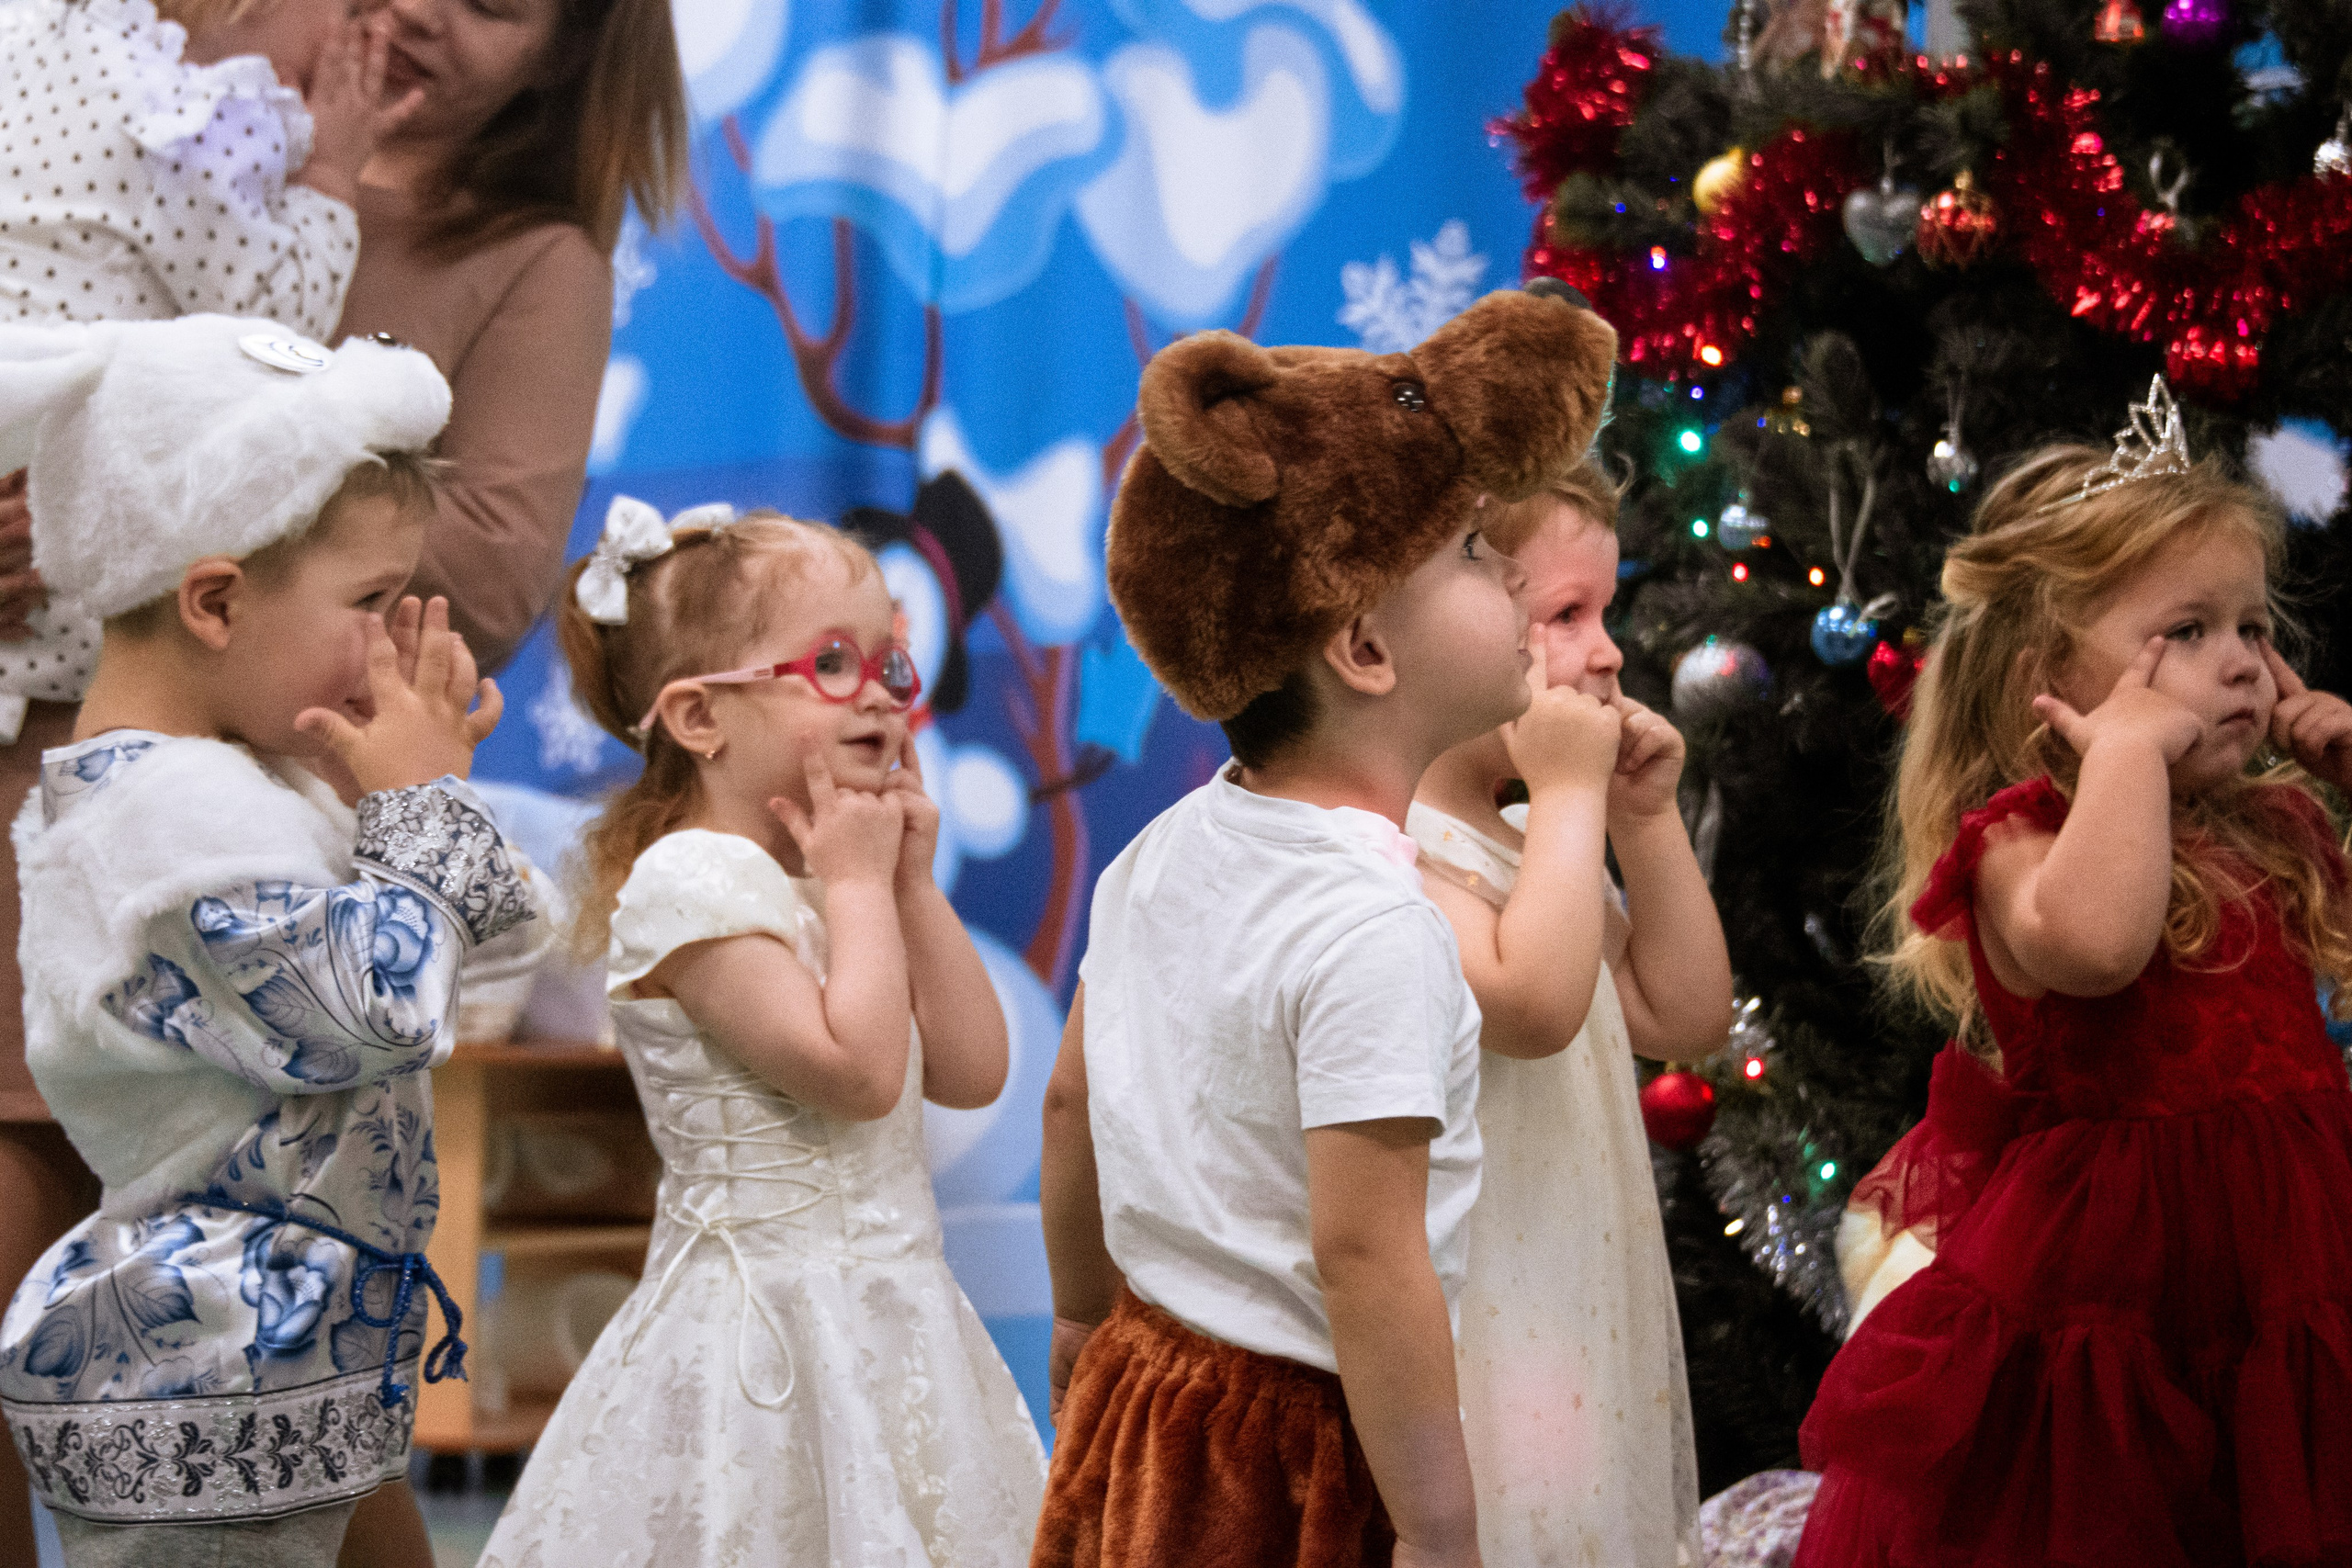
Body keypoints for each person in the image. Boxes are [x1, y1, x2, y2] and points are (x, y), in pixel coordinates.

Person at [1035, 281, 1620, 1568]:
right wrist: (1437, 1525)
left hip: (1142, 1373)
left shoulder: (1156, 853)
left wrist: (1081, 1316)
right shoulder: (1377, 923)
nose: (1513, 573)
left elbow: (1069, 1102)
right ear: (1363, 646)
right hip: (1286, 1440)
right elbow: (1365, 1254)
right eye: (1472, 552)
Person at [0, 313, 531, 1568]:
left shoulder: (244, 792)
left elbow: (478, 950)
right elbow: (379, 1004)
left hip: (291, 1350)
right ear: (217, 601)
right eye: (372, 599)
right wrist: (423, 805)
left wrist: (415, 790)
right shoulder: (164, 829)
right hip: (202, 1373)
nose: (398, 636)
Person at [1794, 378, 2352, 1567]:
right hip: (2113, 1293)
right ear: (2045, 669)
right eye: (2187, 631)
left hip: (2296, 1264)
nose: (2246, 663)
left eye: (2256, 627)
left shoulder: (2275, 826)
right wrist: (2134, 754)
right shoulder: (2021, 834)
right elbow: (2097, 947)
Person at [475, 497, 1046, 1566]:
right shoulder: (691, 882)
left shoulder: (843, 882)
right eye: (833, 663)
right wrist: (858, 884)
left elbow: (973, 1071)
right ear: (700, 720)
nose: (878, 693)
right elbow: (856, 1074)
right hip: (766, 1341)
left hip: (896, 1314)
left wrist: (909, 886)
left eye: (891, 666)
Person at [1407, 461, 1727, 1566]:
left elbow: (1678, 1014)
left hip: (1577, 1300)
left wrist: (1639, 819)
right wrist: (1574, 799)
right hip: (1482, 1312)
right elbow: (1529, 1007)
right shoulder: (1399, 848)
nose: (1608, 653)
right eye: (1565, 616)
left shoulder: (1538, 835)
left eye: (1609, 612)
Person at [333, 0, 688, 672]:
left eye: (487, 8)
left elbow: (490, 582)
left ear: (562, 56)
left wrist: (249, 464)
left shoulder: (544, 263)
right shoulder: (195, 142)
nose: (415, 11)